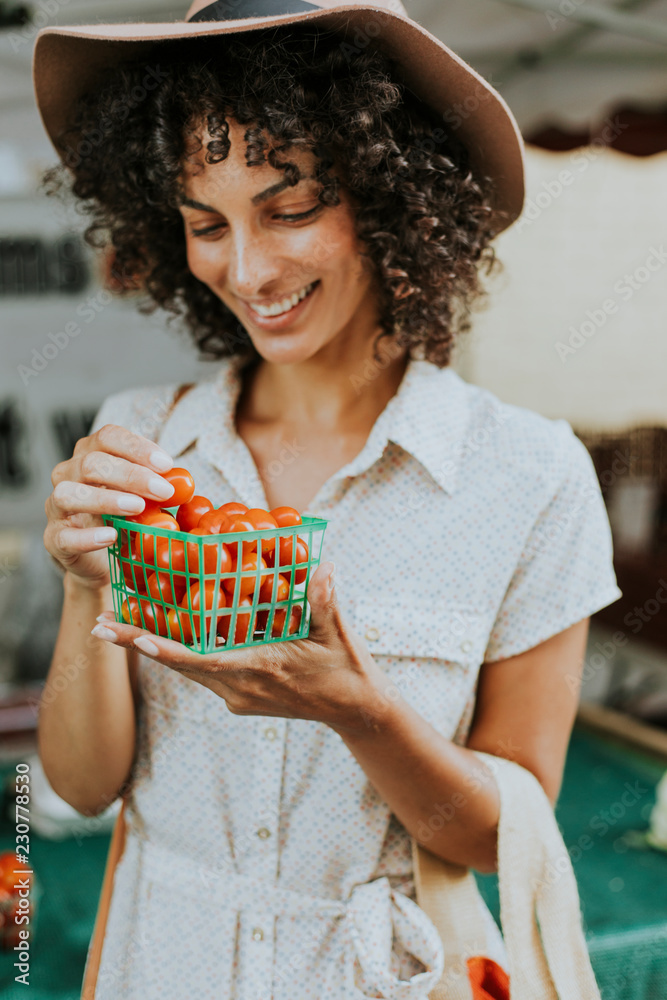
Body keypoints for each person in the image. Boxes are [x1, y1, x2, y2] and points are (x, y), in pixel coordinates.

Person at [35, 2, 622, 997]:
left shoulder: (529, 474)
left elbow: (502, 834)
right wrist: (89, 590)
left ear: (393, 196)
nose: (249, 269)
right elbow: (82, 787)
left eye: (290, 209)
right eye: (205, 224)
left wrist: (359, 712)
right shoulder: (142, 439)